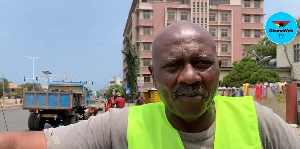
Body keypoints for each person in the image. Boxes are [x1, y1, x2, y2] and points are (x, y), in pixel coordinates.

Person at [0, 20, 299, 149]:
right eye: (173, 65)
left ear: (219, 70)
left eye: (202, 63)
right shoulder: (119, 128)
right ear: (152, 75)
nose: (190, 76)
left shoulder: (258, 122)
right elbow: (16, 142)